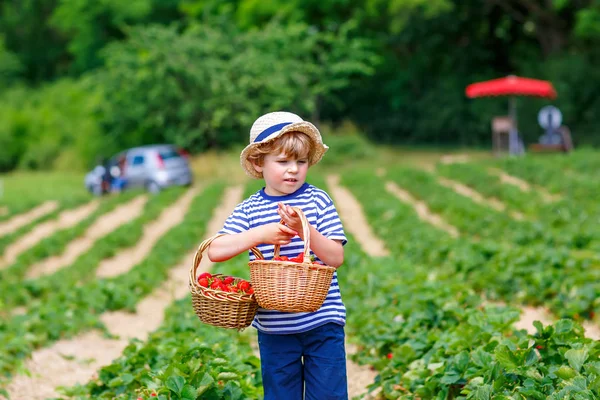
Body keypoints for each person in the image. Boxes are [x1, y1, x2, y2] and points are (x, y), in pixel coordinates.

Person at [207, 111, 348, 400]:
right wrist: (260, 234)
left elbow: (335, 257)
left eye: (301, 161)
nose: (293, 170)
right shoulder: (249, 209)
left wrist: (303, 228)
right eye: (283, 162)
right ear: (259, 163)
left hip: (323, 321)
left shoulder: (318, 200)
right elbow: (216, 249)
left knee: (329, 396)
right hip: (274, 327)